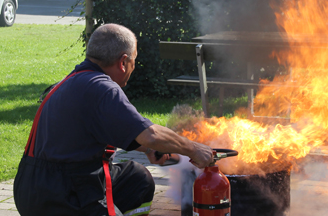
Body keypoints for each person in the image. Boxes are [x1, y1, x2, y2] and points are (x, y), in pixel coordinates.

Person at [13, 23, 214, 216]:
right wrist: (194, 149)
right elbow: (150, 134)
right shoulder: (102, 89)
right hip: (66, 194)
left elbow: (123, 131)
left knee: (137, 178)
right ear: (123, 61)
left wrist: (150, 149)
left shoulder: (72, 81)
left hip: (32, 186)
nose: (133, 68)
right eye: (134, 61)